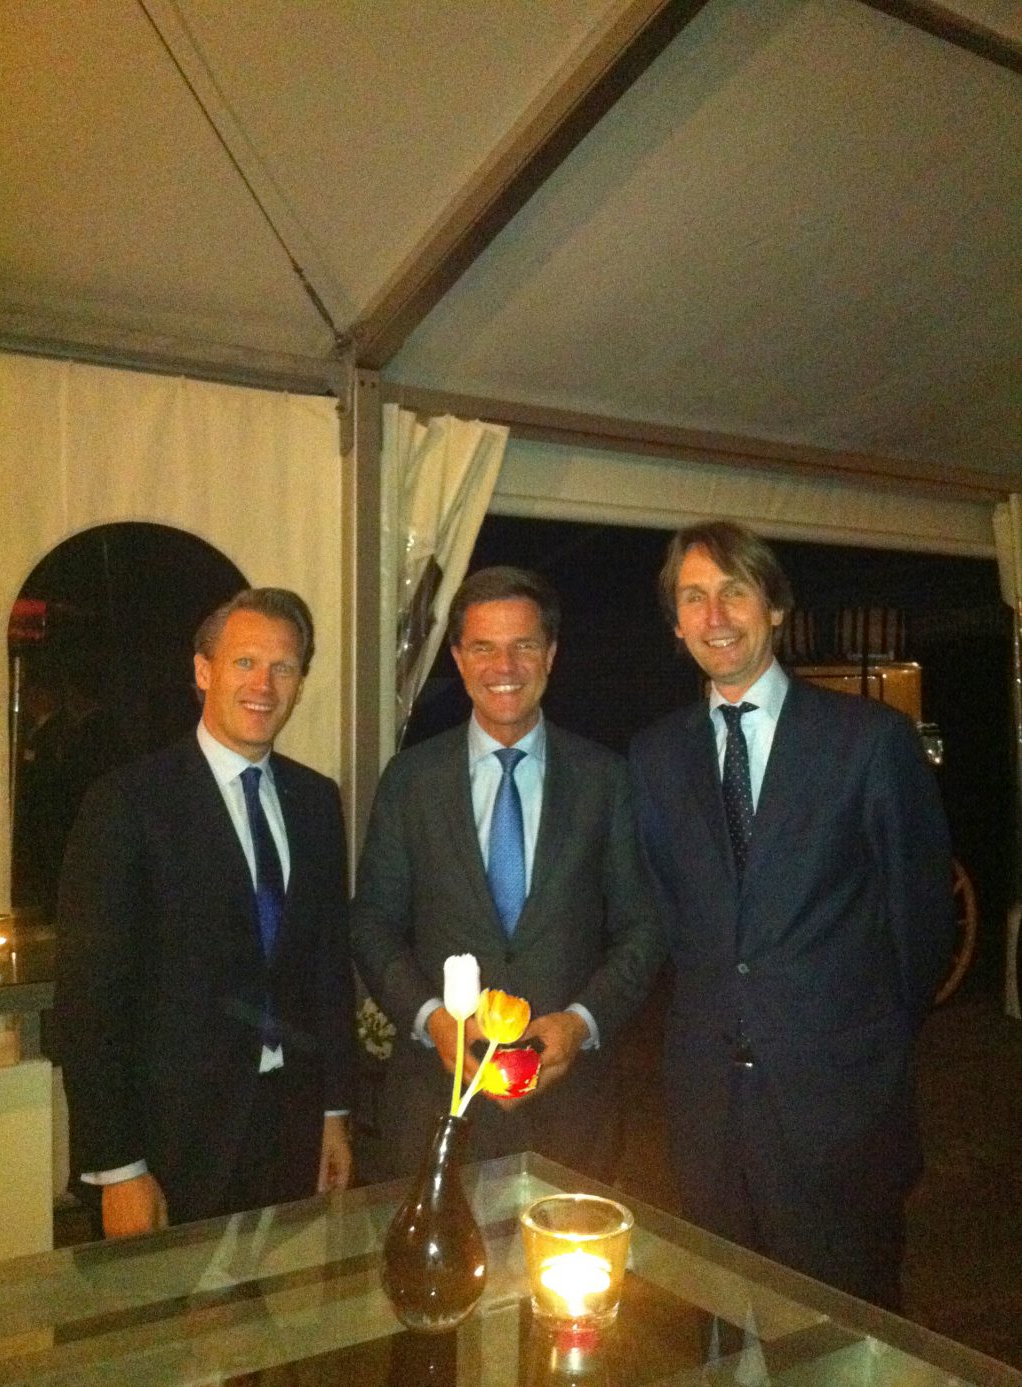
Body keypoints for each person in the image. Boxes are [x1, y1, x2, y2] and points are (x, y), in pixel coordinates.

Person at [630, 521, 955, 1309]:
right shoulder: (655, 756)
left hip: (839, 1113)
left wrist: (858, 1044)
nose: (715, 616)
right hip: (709, 1114)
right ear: (675, 624)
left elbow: (921, 926)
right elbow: (673, 917)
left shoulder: (868, 740)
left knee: (844, 1336)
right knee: (722, 1329)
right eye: (693, 597)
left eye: (734, 591)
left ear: (775, 606)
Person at [55, 588, 355, 1237]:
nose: (264, 685)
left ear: (300, 682)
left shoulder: (316, 802)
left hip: (291, 1130)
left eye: (283, 667)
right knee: (168, 1306)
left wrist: (333, 1111)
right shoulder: (128, 803)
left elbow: (327, 970)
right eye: (245, 662)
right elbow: (90, 1002)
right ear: (202, 670)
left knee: (284, 1301)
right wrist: (119, 1166)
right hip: (171, 1144)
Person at [350, 566, 663, 1180]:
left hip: (572, 1113)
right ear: (458, 659)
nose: (505, 666)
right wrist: (432, 1019)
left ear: (550, 655)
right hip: (436, 1107)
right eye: (484, 648)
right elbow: (371, 924)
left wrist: (582, 1024)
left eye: (523, 645)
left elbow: (644, 927)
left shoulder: (606, 779)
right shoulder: (411, 781)